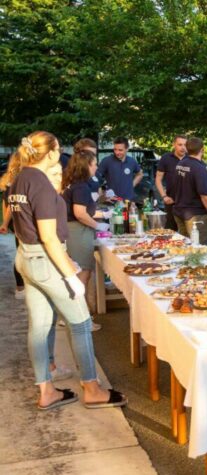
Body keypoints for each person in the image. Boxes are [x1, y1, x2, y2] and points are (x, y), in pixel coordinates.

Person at [10, 131, 126, 409]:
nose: (61, 155)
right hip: (45, 260)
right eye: (58, 149)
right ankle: (92, 388)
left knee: (39, 326)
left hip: (27, 257)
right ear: (49, 153)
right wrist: (70, 274)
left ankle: (46, 390)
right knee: (81, 322)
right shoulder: (39, 183)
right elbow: (48, 236)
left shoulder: (20, 178)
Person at [62, 150, 110, 331]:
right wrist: (98, 226)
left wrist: (101, 214)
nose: (96, 166)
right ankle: (80, 319)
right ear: (86, 166)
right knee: (82, 274)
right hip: (78, 232)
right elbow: (80, 214)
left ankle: (72, 317)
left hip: (74, 230)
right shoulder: (81, 187)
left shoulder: (72, 184)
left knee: (77, 274)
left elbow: (83, 210)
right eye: (94, 164)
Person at [173, 137, 207, 245]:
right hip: (196, 215)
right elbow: (205, 196)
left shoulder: (181, 164)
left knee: (185, 248)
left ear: (187, 148)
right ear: (202, 149)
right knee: (198, 249)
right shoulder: (199, 169)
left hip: (179, 211)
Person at [1, 153, 26, 299]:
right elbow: (10, 205)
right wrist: (5, 223)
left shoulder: (10, 181)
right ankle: (21, 287)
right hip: (22, 221)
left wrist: (5, 223)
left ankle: (21, 287)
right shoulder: (20, 182)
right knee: (23, 254)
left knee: (20, 253)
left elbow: (6, 205)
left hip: (17, 222)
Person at [155, 135, 187, 231]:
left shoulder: (192, 158)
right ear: (174, 145)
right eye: (180, 144)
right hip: (171, 201)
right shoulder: (166, 158)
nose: (183, 147)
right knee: (170, 232)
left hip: (189, 204)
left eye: (185, 145)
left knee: (189, 234)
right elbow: (158, 179)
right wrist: (164, 196)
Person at [96, 137, 142, 201]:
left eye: (120, 150)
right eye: (115, 149)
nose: (117, 152)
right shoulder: (106, 161)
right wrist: (102, 195)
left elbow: (140, 174)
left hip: (128, 200)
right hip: (112, 200)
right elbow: (96, 178)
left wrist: (131, 185)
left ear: (127, 149)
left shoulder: (132, 161)